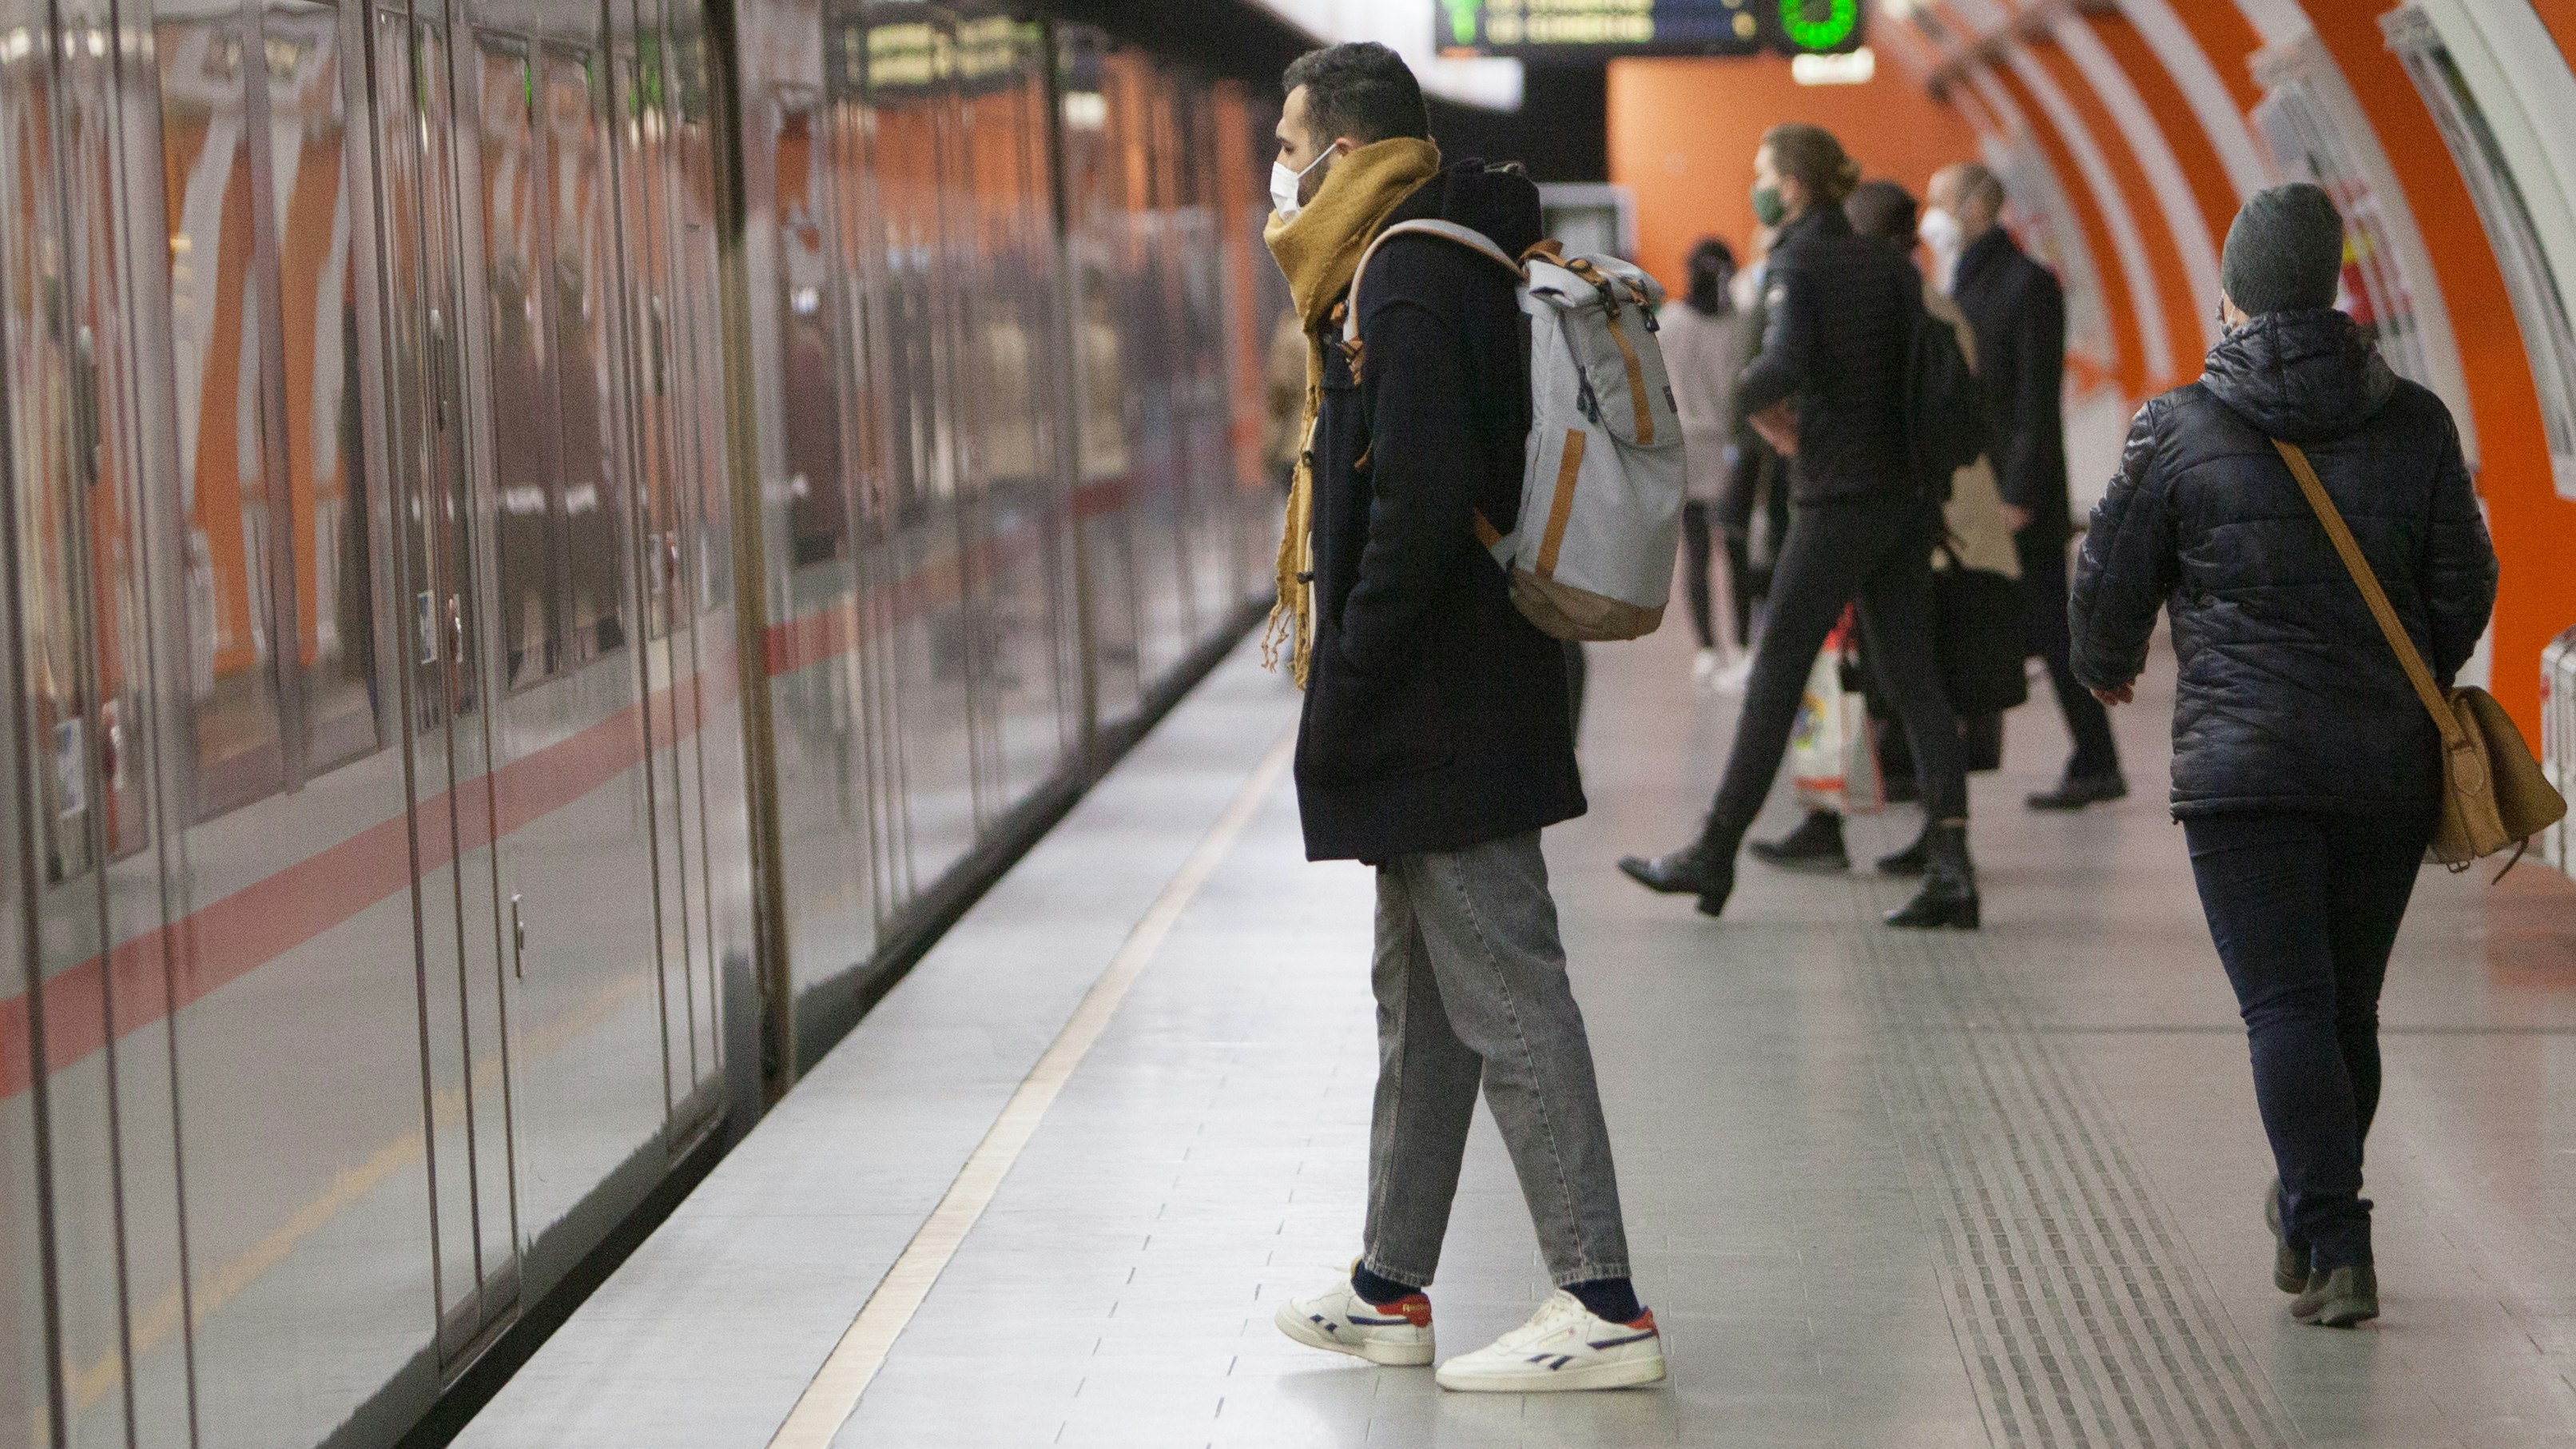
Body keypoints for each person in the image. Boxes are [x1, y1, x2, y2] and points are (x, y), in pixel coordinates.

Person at [1258, 42, 1666, 1393]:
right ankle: (1389, 1283)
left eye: (1288, 134)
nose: (1279, 158)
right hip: (1459, 686)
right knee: (1423, 996)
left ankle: (1598, 1300)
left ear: (1342, 143)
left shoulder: (1406, 276)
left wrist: (1349, 682)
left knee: (1506, 990)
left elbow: (1418, 507)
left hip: (1439, 694)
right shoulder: (1434, 254)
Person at [2071, 183, 2497, 1329]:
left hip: (2243, 764)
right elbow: (2467, 584)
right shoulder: (2416, 420)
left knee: (2286, 1008)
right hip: (2381, 764)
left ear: (2230, 298)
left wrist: (2104, 658)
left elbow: (2110, 578)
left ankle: (2334, 1233)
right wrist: (2401, 660)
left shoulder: (2177, 424)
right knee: (2343, 1008)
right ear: (2336, 290)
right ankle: (2317, 1211)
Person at [1619, 124, 1978, 930]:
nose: (1756, 186)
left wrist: (1717, 403)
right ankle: (1952, 865)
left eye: (1760, 174)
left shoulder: (1795, 263)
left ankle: (1711, 854)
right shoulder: (1887, 262)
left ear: (1788, 185)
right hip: (1900, 494)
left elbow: (1780, 363)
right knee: (1915, 679)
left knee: (1775, 670)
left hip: (1836, 495)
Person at [1751, 178, 2025, 878]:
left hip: (1903, 514)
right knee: (1892, 680)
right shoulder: (1916, 299)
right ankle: (1921, 833)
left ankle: (1877, 826)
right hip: (1914, 511)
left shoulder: (1906, 305)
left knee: (1880, 678)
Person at [1926, 161, 2127, 811]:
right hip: (1982, 486)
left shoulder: (2027, 285)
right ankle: (2085, 758)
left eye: (1944, 201)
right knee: (2020, 622)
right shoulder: (1967, 280)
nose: (1935, 215)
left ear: (1980, 205)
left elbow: (2038, 402)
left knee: (2049, 624)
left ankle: (2097, 760)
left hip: (2018, 495)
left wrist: (2019, 492)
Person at [1660, 237, 1754, 687]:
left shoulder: (1670, 323)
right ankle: (1736, 644)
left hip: (1694, 448)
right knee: (1731, 548)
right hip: (1725, 447)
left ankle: (1711, 648)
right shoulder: (1739, 325)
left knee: (1700, 549)